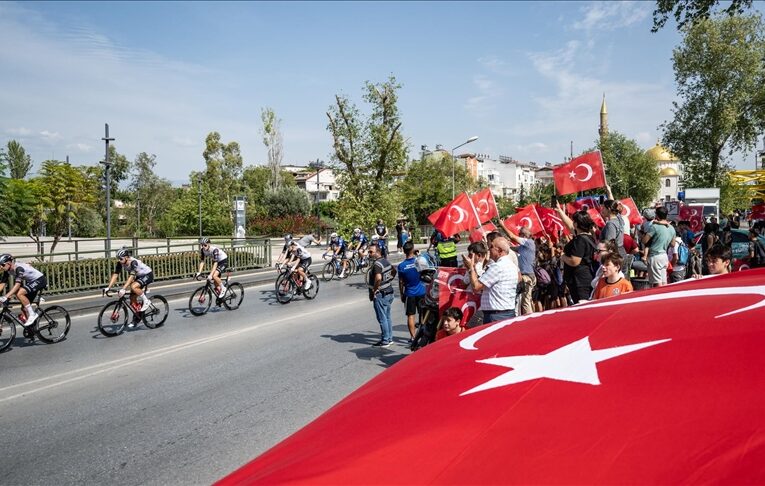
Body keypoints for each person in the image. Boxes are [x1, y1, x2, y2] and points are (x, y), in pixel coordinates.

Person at [463, 236, 519, 324]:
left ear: (500, 251)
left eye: (492, 247)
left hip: (496, 315)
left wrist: (471, 268)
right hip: (506, 312)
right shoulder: (511, 265)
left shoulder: (498, 267)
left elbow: (476, 287)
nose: (489, 249)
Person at [555, 206, 597, 304]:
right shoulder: (588, 236)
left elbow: (574, 261)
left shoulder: (580, 240)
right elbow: (570, 225)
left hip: (579, 281)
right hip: (583, 278)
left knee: (582, 306)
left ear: (577, 224)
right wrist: (560, 211)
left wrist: (562, 256)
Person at [104, 249, 154, 324]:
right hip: (139, 276)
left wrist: (123, 289)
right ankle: (138, 316)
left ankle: (146, 301)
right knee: (132, 299)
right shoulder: (120, 263)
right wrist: (108, 287)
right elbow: (115, 275)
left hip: (148, 275)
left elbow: (131, 276)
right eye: (118, 258)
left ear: (127, 257)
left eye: (121, 258)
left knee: (133, 286)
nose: (119, 260)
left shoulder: (133, 262)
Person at [499, 222, 537, 315]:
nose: (518, 236)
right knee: (526, 300)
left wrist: (502, 225)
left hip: (527, 276)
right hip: (526, 275)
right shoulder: (524, 246)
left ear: (524, 235)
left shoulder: (528, 242)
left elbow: (512, 236)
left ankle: (530, 320)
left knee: (525, 302)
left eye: (519, 234)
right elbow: (511, 248)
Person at [0, 254, 47, 326]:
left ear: (9, 263)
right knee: (24, 308)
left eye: (2, 265)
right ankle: (31, 328)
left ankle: (32, 314)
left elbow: (18, 284)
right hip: (31, 282)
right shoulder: (7, 270)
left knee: (19, 293)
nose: (1, 267)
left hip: (40, 280)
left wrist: (6, 296)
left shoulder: (19, 268)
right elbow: (2, 284)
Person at [367, 242, 397, 347]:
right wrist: (389, 280)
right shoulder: (385, 261)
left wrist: (375, 290)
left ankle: (385, 340)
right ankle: (389, 338)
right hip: (389, 292)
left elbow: (378, 278)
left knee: (382, 318)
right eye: (369, 252)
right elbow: (394, 270)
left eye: (371, 252)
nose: (369, 254)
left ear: (377, 252)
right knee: (387, 317)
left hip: (381, 294)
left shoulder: (377, 265)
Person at [397, 240, 426, 343]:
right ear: (413, 250)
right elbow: (426, 272)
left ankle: (413, 337)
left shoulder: (401, 266)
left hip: (409, 293)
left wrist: (401, 294)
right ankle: (423, 335)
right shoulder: (419, 261)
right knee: (423, 315)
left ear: (404, 251)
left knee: (411, 316)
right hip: (422, 292)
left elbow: (401, 282)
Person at [643, 207, 674, 287]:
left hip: (655, 256)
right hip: (664, 256)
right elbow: (673, 244)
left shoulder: (654, 227)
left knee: (657, 283)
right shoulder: (671, 228)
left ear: (656, 215)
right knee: (664, 282)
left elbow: (645, 241)